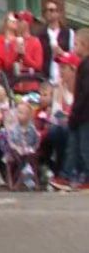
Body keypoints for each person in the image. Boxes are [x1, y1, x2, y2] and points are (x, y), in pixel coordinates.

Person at [51, 29, 89, 190]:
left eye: (76, 44)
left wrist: (75, 112)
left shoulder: (85, 66)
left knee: (84, 148)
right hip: (79, 115)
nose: (74, 47)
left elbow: (85, 93)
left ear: (85, 45)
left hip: (85, 115)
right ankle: (66, 175)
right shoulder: (83, 65)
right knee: (73, 146)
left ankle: (83, 176)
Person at [38, 1, 75, 82]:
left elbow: (74, 57)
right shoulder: (40, 35)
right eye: (46, 10)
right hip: (46, 79)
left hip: (64, 79)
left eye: (51, 10)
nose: (48, 13)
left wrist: (62, 53)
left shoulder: (68, 33)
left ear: (58, 13)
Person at [7, 101, 40, 190]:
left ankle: (24, 179)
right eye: (18, 112)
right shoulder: (14, 129)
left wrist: (33, 148)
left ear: (29, 116)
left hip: (28, 150)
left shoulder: (32, 129)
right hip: (16, 151)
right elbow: (11, 141)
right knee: (20, 158)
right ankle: (22, 179)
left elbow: (36, 140)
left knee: (29, 157)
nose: (18, 115)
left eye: (21, 113)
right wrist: (16, 148)